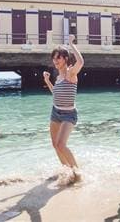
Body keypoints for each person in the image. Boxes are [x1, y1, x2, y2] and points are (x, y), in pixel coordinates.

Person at [43, 34, 84, 183]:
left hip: (68, 114)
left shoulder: (70, 73)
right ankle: (66, 170)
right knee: (55, 145)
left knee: (61, 144)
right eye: (54, 58)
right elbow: (55, 94)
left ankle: (77, 173)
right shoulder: (59, 77)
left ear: (65, 59)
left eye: (58, 58)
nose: (55, 61)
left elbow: (81, 61)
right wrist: (47, 81)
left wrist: (72, 44)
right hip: (55, 112)